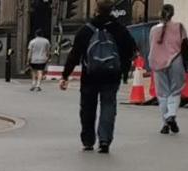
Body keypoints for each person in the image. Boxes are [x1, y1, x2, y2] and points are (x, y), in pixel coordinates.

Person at [59, 1, 141, 153]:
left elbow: (74, 54)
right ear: (111, 11)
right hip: (111, 75)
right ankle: (104, 141)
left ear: (96, 10)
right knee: (108, 106)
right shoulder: (119, 29)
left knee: (87, 108)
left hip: (90, 75)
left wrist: (65, 75)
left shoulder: (86, 30)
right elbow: (130, 49)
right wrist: (123, 70)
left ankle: (88, 140)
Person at [148, 3, 188, 133]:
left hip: (157, 62)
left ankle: (165, 123)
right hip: (175, 61)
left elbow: (151, 46)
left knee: (162, 94)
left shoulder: (153, 30)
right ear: (172, 14)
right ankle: (171, 115)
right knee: (175, 91)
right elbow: (185, 44)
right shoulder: (179, 27)